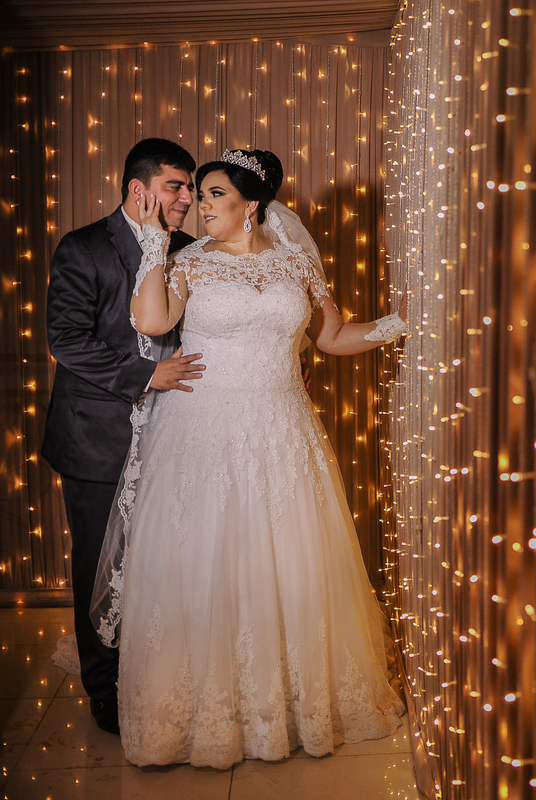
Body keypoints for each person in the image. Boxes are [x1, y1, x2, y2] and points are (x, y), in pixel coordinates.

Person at [91, 148, 408, 768]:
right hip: (202, 429)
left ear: (250, 204)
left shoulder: (297, 263)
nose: (197, 205)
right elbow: (151, 321)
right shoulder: (190, 261)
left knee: (282, 559)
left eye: (212, 195)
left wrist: (400, 325)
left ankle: (279, 710)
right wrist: (156, 248)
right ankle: (196, 715)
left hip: (281, 425)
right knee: (205, 560)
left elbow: (333, 337)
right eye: (198, 195)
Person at [42, 138, 205, 735]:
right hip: (95, 439)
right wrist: (145, 375)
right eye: (175, 187)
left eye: (190, 187)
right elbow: (66, 338)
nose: (187, 198)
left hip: (175, 433)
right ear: (139, 190)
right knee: (97, 564)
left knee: (163, 559)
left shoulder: (190, 251)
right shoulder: (83, 247)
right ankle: (103, 685)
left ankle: (154, 667)